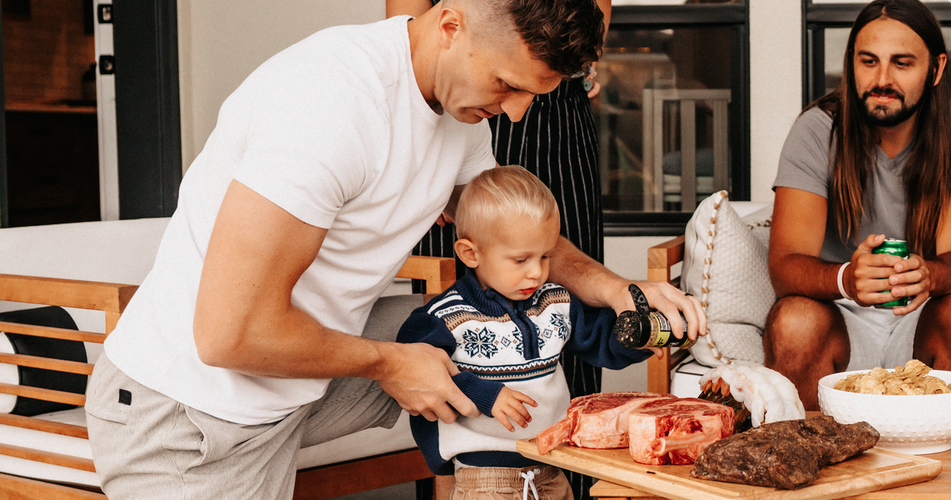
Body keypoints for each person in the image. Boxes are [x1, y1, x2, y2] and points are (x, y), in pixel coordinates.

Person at [84, 2, 702, 498]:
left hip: (288, 388)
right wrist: (389, 363)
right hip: (187, 420)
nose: (515, 114)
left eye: (531, 94)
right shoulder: (330, 106)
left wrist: (622, 290)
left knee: (492, 326)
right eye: (508, 84)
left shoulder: (462, 112)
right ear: (451, 24)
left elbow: (511, 239)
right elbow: (227, 335)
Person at [387, 1, 615, 497]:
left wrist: (628, 308)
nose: (515, 112)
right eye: (510, 90)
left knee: (544, 266)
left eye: (542, 260)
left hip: (553, 90)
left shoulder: (553, 294)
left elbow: (597, 332)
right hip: (471, 67)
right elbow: (421, 364)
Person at [766, 0, 951, 410]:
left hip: (923, 312)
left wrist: (927, 275)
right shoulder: (817, 128)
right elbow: (786, 264)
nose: (882, 79)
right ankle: (801, 458)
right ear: (851, 63)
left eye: (902, 63)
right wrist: (846, 279)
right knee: (795, 320)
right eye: (868, 61)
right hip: (840, 315)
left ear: (936, 69)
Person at [397, 166, 649, 500]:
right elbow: (417, 372)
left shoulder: (554, 301)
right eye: (520, 260)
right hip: (486, 479)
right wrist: (486, 395)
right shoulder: (446, 316)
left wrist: (638, 338)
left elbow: (600, 341)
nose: (537, 271)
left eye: (545, 256)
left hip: (551, 466)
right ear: (470, 253)